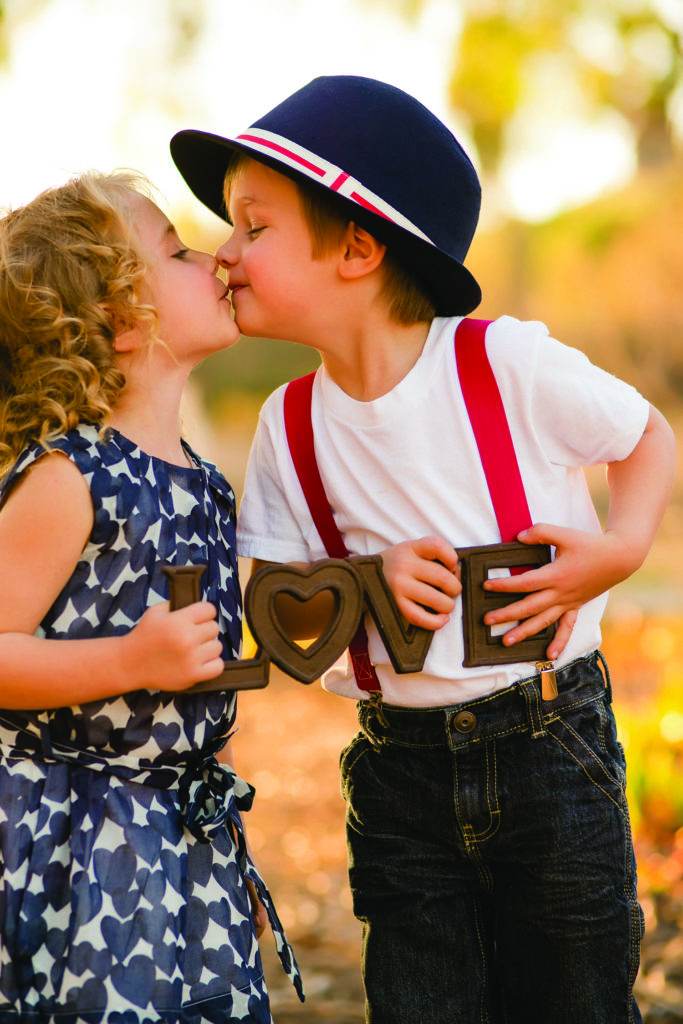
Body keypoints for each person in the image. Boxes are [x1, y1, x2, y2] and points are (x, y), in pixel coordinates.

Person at [170, 76, 676, 1023]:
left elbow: (646, 435)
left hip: (549, 743)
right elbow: (278, 596)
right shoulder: (291, 425)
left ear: (357, 247)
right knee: (419, 994)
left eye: (251, 226)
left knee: (575, 988)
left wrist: (619, 548)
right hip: (396, 768)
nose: (222, 253)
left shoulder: (504, 365)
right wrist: (363, 587)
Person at [0, 171, 302, 1023]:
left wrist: (231, 844)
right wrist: (132, 660)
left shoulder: (205, 484)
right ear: (123, 321)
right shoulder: (73, 476)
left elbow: (204, 680)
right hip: (79, 847)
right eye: (175, 249)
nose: (213, 258)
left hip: (189, 837)